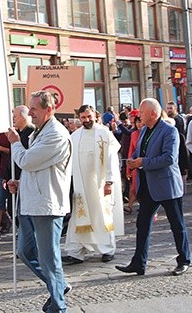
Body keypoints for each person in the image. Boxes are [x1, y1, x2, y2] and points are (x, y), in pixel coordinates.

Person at [6, 91, 72, 313]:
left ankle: (58, 306)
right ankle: (59, 287)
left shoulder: (56, 134)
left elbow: (27, 160)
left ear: (49, 110)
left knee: (49, 259)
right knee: (25, 252)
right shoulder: (39, 132)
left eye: (34, 108)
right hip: (30, 201)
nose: (30, 112)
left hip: (47, 203)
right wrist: (20, 182)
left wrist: (15, 143)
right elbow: (35, 167)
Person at [116, 98, 191, 277]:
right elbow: (138, 151)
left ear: (153, 113)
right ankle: (138, 263)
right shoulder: (144, 131)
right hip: (148, 185)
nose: (138, 115)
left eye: (142, 112)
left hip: (166, 185)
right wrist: (134, 160)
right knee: (142, 224)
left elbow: (169, 158)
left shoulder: (169, 131)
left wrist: (143, 162)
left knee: (177, 224)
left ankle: (184, 260)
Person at [63, 105, 123, 265]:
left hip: (99, 184)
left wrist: (109, 181)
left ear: (95, 115)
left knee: (102, 215)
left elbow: (111, 158)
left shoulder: (104, 133)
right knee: (79, 215)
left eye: (89, 116)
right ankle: (76, 251)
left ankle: (107, 249)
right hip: (81, 185)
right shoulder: (75, 136)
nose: (86, 120)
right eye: (83, 117)